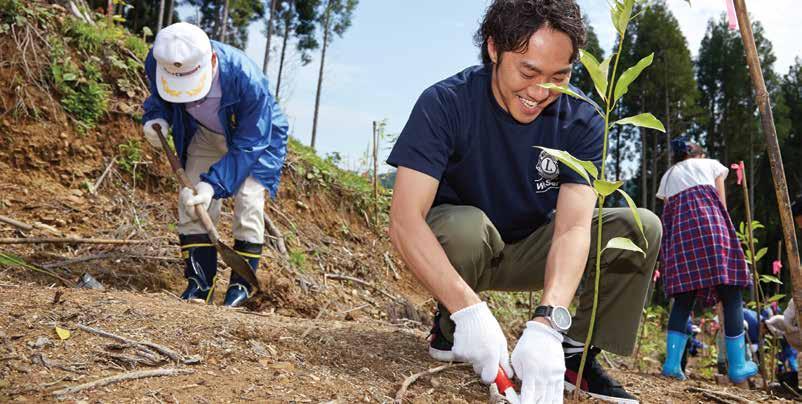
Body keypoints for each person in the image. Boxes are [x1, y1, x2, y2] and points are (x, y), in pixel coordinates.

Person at [386, 1, 661, 402]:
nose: (539, 92)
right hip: (467, 248)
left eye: (559, 77)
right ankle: (454, 324)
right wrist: (471, 311)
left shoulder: (582, 119)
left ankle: (572, 353)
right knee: (463, 227)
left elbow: (571, 228)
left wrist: (548, 323)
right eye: (528, 71)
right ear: (494, 48)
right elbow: (404, 220)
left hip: (537, 245)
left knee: (639, 228)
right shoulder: (446, 103)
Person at [141, 22, 289, 307]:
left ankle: (241, 288)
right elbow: (159, 96)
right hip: (204, 132)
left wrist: (214, 184)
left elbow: (249, 144)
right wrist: (157, 117)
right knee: (191, 200)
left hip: (257, 138)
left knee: (248, 202)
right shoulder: (160, 58)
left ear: (210, 61)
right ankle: (199, 284)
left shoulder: (246, 78)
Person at [658, 137, 757, 384]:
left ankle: (671, 364)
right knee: (732, 295)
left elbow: (669, 213)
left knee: (684, 298)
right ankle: (737, 366)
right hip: (712, 233)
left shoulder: (668, 176)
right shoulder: (711, 164)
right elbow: (720, 205)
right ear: (699, 154)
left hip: (681, 239)